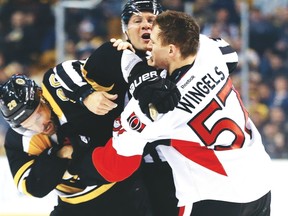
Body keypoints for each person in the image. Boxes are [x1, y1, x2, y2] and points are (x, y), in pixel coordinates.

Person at [78, 10, 272, 216]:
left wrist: (79, 161)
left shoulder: (154, 108)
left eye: (153, 41)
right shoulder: (208, 51)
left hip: (215, 198)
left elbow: (116, 166)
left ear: (171, 50)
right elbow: (229, 53)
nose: (148, 47)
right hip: (259, 181)